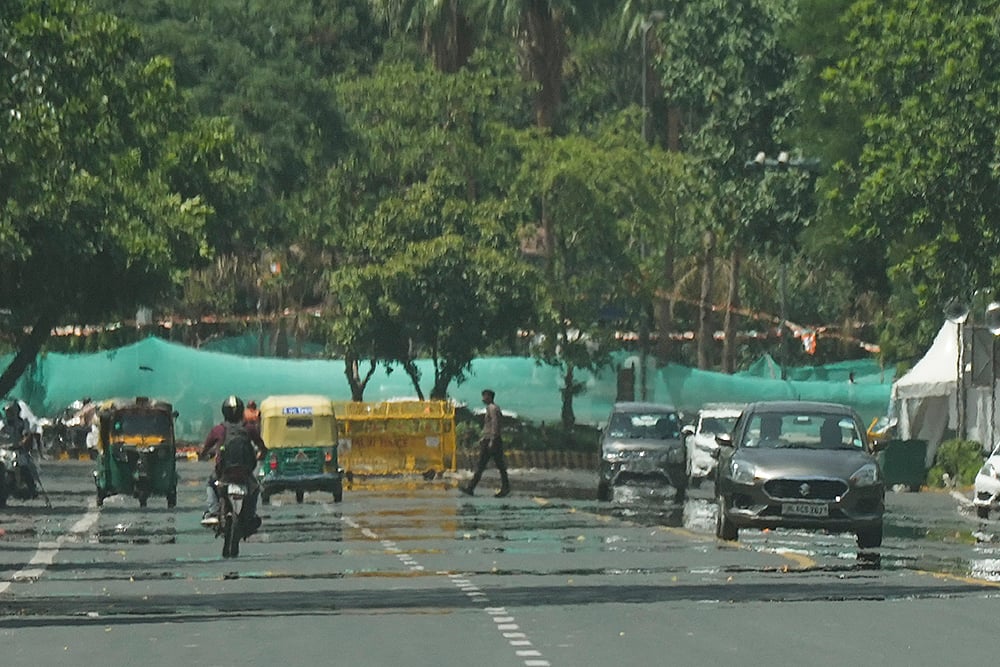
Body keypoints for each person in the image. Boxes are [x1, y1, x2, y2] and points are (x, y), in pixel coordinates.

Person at [199, 395, 268, 527]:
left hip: (224, 473)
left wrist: (203, 455)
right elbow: (262, 447)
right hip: (245, 473)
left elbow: (205, 449)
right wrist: (262, 454)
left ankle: (213, 512)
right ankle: (251, 514)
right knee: (255, 489)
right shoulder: (249, 428)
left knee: (210, 484)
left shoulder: (218, 430)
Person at [460, 389, 510, 498]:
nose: (483, 398)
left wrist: (492, 440)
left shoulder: (492, 408)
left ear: (490, 397)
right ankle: (505, 487)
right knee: (497, 465)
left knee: (483, 465)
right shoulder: (491, 408)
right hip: (490, 439)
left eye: (484, 396)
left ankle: (471, 488)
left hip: (492, 440)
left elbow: (495, 424)